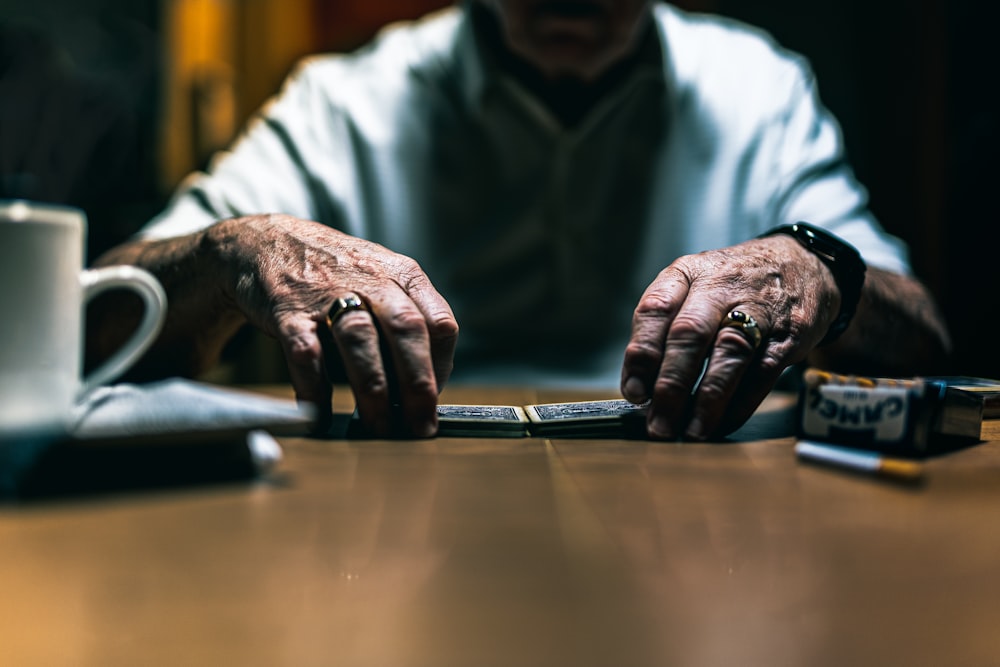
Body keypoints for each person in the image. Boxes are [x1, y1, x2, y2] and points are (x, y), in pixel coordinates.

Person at [89, 0, 951, 440]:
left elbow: (921, 341)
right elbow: (91, 329)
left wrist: (820, 274)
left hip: (726, 545)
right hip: (384, 533)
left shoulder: (759, 88)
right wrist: (230, 249)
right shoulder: (343, 102)